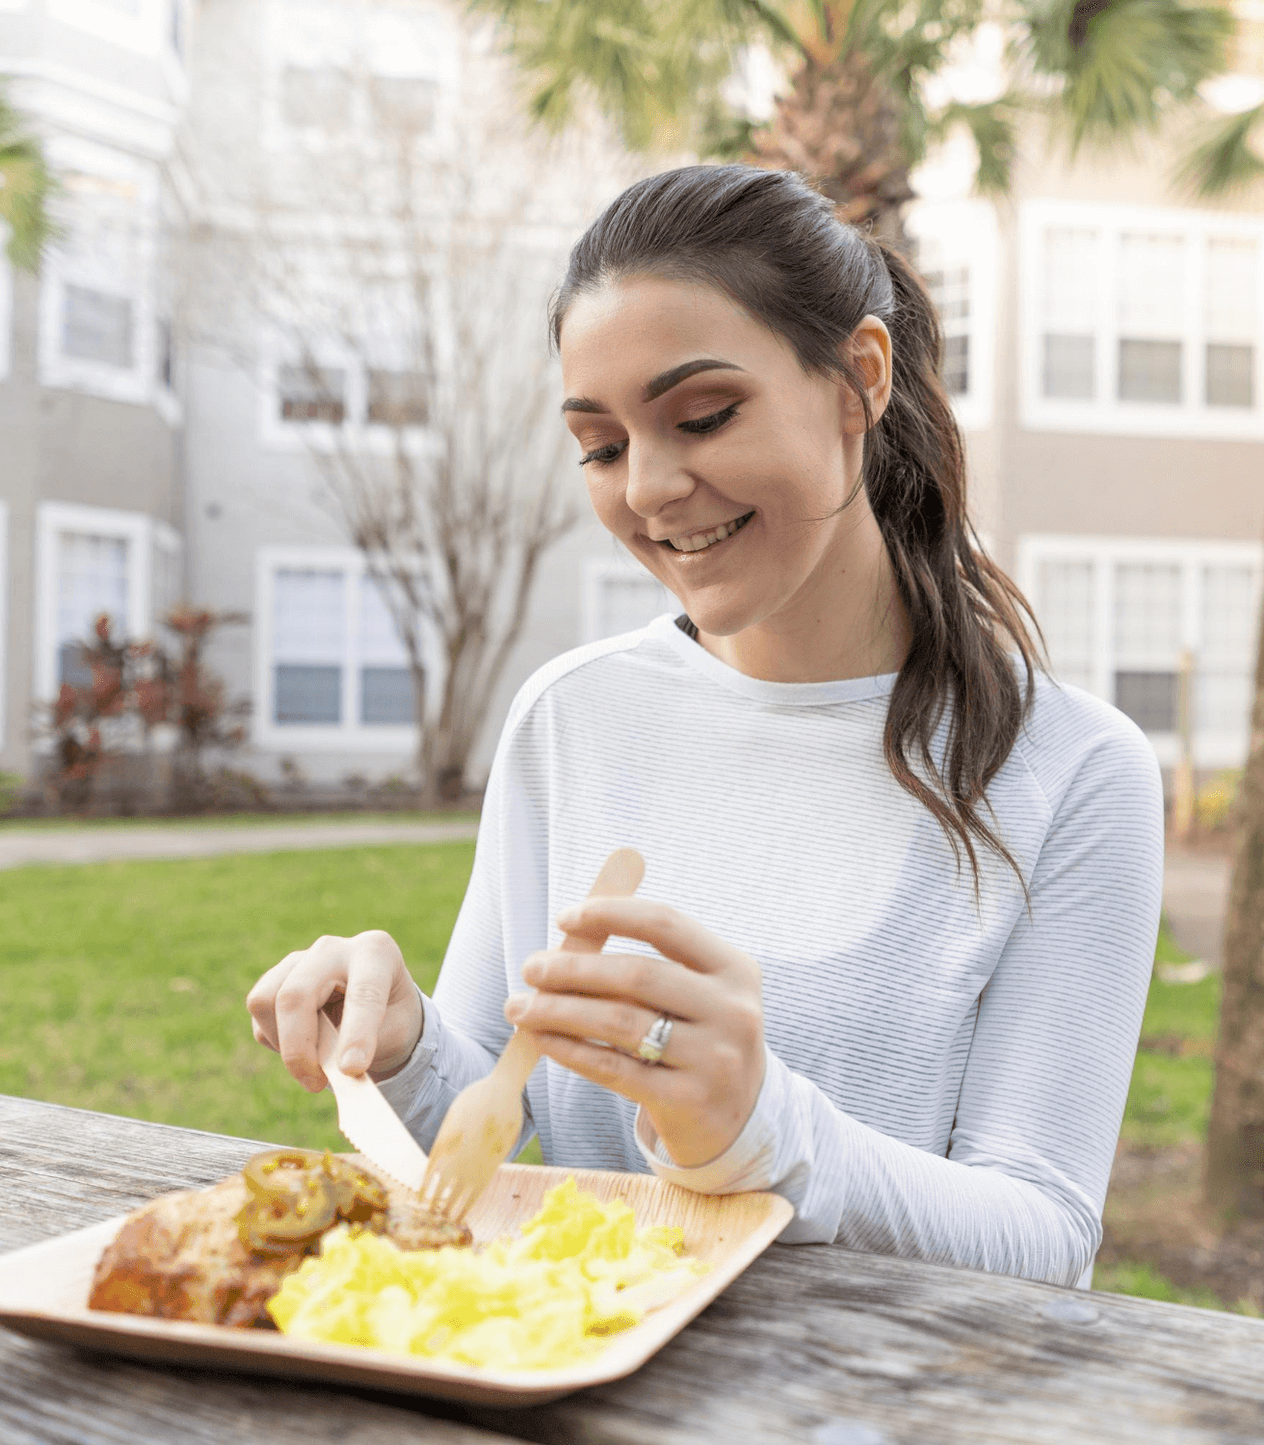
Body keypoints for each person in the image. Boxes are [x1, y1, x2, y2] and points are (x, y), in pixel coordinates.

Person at [248, 165, 1163, 1288]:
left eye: (702, 415)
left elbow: (1041, 1233)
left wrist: (761, 1126)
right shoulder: (569, 715)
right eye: (601, 444)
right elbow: (492, 1115)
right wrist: (395, 1045)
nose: (648, 487)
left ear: (856, 381)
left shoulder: (1068, 771)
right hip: (559, 1375)